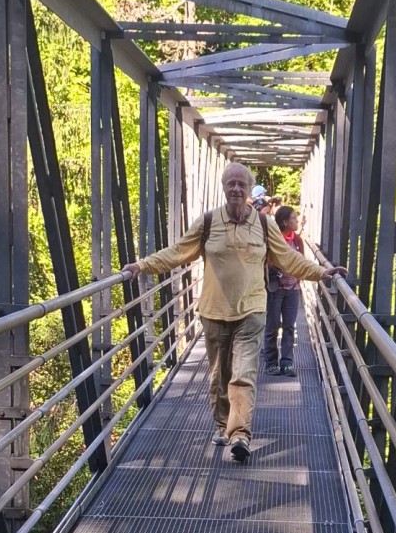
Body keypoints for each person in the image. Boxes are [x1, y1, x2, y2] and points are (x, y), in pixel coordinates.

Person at [123, 163, 344, 462]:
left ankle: (240, 434)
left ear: (249, 189)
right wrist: (142, 265)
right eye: (231, 184)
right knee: (219, 377)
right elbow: (177, 252)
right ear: (224, 188)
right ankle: (221, 424)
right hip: (214, 312)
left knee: (242, 375)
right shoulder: (208, 223)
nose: (236, 189)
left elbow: (289, 259)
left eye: (242, 184)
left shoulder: (264, 225)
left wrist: (322, 272)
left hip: (252, 310)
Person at [264, 204, 304, 377]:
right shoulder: (273, 239)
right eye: (294, 218)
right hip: (276, 288)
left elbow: (302, 261)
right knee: (272, 326)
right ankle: (271, 362)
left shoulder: (297, 240)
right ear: (285, 222)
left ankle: (287, 363)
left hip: (293, 288)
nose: (297, 221)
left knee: (289, 326)